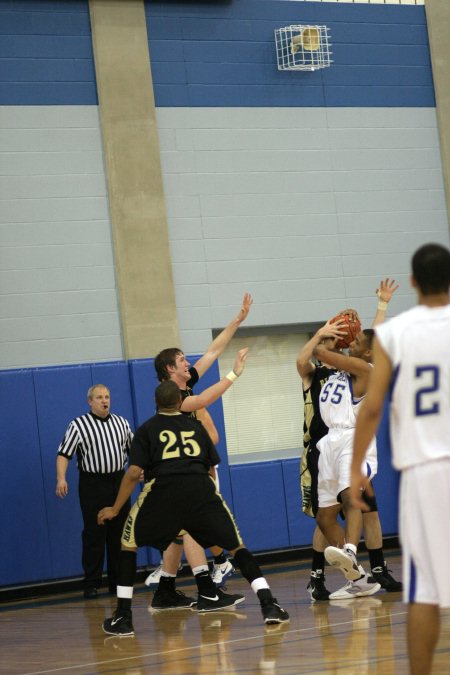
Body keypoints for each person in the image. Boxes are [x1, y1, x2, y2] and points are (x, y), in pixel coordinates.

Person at [98, 369, 289, 635]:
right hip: (200, 491)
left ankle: (123, 617)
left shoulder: (147, 429)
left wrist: (116, 508)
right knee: (237, 547)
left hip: (163, 493)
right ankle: (269, 604)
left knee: (128, 545)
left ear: (156, 404)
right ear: (179, 402)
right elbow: (211, 467)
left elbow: (132, 473)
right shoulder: (196, 427)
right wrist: (210, 498)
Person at [350, 243, 450, 675]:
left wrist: (354, 468)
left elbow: (371, 408)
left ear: (412, 282)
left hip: (425, 474)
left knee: (424, 589)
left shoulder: (394, 334)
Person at [297, 280, 402, 600]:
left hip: (354, 440)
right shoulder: (327, 372)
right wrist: (329, 336)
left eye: (354, 340)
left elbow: (369, 341)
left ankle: (353, 553)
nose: (351, 341)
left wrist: (327, 335)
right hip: (325, 443)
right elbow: (309, 360)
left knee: (352, 497)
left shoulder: (362, 368)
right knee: (325, 515)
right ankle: (356, 575)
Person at [146, 292, 253, 596]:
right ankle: (217, 565)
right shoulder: (171, 395)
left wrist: (238, 319)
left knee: (181, 530)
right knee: (188, 527)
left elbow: (213, 351)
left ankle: (170, 585)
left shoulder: (185, 381)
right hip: (180, 468)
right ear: (170, 369)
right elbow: (203, 399)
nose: (188, 362)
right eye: (181, 360)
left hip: (195, 466)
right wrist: (235, 373)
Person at [56, 384, 133, 599]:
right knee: (94, 534)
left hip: (119, 481)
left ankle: (117, 582)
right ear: (90, 401)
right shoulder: (78, 425)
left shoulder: (121, 423)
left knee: (119, 534)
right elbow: (63, 454)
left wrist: (142, 469)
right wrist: (61, 478)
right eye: (99, 397)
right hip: (92, 484)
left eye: (107, 396)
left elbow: (134, 450)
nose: (104, 400)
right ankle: (91, 583)